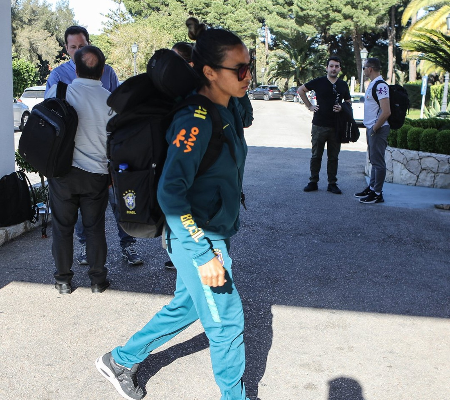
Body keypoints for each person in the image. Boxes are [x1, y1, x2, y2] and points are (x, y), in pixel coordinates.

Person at [95, 17, 251, 400]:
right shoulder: (195, 120)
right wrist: (203, 253)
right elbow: (170, 193)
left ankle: (120, 360)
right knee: (227, 323)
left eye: (250, 67)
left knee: (187, 306)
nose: (248, 76)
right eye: (239, 69)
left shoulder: (226, 105)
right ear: (210, 73)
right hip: (197, 235)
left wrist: (206, 41)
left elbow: (246, 114)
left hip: (212, 228)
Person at [46, 25, 143, 266]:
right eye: (73, 47)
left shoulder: (107, 71)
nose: (78, 50)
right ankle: (86, 251)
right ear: (66, 48)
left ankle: (128, 245)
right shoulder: (57, 76)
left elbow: (118, 111)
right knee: (85, 216)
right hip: (71, 159)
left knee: (118, 202)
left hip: (105, 153)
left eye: (82, 45)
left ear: (89, 44)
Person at [47, 46, 111, 294]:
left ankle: (63, 281)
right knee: (95, 228)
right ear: (103, 71)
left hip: (62, 173)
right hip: (96, 174)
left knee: (62, 228)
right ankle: (98, 281)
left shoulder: (59, 91)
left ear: (75, 69)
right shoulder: (110, 100)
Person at [298, 56, 351, 194]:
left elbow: (348, 102)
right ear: (327, 68)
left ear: (340, 69)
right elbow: (301, 90)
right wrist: (309, 106)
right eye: (331, 66)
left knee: (333, 157)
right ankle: (313, 182)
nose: (334, 69)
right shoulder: (318, 82)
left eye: (336, 66)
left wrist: (342, 107)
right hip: (319, 125)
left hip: (336, 126)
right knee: (316, 155)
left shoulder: (343, 85)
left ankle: (332, 183)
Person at [354, 57, 391, 204]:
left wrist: (375, 128)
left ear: (370, 69)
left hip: (378, 129)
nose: (363, 70)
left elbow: (386, 111)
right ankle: (372, 188)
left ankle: (377, 193)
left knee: (378, 162)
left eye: (364, 68)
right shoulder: (373, 84)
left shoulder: (381, 85)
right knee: (373, 160)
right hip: (372, 128)